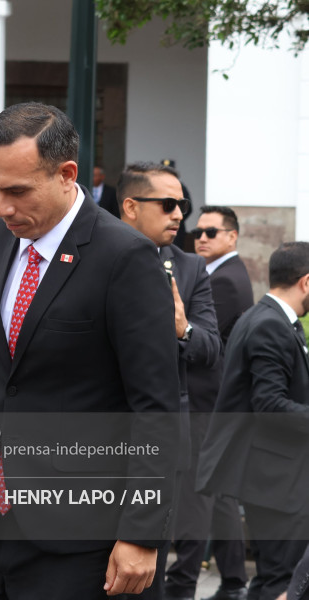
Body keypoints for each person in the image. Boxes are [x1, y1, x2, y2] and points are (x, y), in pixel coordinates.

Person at [0, 102, 181, 599]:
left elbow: (155, 409)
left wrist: (140, 534)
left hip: (83, 537)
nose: (1, 206)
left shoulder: (124, 258)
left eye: (17, 190)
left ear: (67, 175)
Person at [117, 163, 222, 599]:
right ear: (130, 207)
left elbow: (212, 348)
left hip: (159, 446)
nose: (179, 214)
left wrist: (183, 329)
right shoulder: (96, 255)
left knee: (146, 572)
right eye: (167, 204)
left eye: (181, 205)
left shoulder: (191, 268)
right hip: (92, 438)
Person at [198, 241, 309, 600]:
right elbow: (270, 405)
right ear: (306, 282)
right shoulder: (270, 325)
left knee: (276, 578)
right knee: (281, 579)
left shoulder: (270, 319)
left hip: (276, 481)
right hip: (276, 484)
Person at [167, 206, 254, 600]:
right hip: (212, 402)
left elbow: (201, 344)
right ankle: (234, 580)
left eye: (212, 232)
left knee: (197, 493)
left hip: (203, 402)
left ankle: (183, 579)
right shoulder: (224, 274)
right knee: (216, 495)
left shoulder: (223, 282)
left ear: (232, 237)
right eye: (198, 231)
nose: (201, 237)